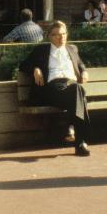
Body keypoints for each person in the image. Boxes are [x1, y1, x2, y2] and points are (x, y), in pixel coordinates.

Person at [19, 22, 91, 156]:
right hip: (52, 89)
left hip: (71, 89)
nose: (61, 37)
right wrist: (35, 69)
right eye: (57, 35)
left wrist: (84, 71)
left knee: (76, 90)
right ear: (49, 36)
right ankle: (79, 139)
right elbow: (23, 65)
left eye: (63, 34)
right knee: (79, 92)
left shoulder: (72, 49)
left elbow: (80, 63)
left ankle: (77, 137)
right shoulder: (42, 50)